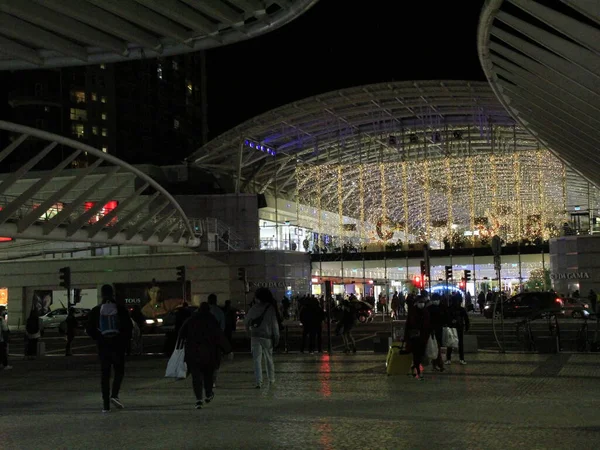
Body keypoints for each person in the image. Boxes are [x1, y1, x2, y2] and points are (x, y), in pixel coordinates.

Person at [86, 284, 133, 413]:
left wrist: (100, 337)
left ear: (101, 294)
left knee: (105, 375)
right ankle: (115, 394)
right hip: (118, 346)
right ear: (113, 294)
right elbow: (129, 328)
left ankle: (105, 405)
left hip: (103, 347)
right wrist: (123, 341)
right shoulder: (121, 309)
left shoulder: (96, 310)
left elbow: (89, 330)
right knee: (119, 371)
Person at [179, 302, 231, 409]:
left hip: (193, 353)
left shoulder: (191, 320)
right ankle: (208, 394)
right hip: (209, 354)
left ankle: (198, 399)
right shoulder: (212, 320)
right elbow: (219, 336)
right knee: (208, 375)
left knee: (196, 377)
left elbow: (181, 334)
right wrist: (228, 350)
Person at [244, 287, 280, 388]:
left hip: (255, 336)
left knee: (257, 360)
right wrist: (276, 337)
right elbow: (274, 324)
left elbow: (246, 321)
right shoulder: (271, 308)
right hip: (267, 337)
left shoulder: (254, 308)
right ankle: (271, 379)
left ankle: (258, 382)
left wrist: (247, 332)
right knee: (269, 359)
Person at [404, 296, 431, 380]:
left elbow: (428, 324)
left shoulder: (426, 312)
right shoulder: (412, 312)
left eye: (422, 302)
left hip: (423, 337)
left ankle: (415, 367)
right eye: (420, 302)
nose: (421, 304)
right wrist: (406, 337)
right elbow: (408, 325)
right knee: (416, 354)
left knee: (421, 354)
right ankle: (418, 371)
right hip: (414, 337)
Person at [446, 295, 470, 366]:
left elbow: (466, 318)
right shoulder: (459, 309)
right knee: (455, 343)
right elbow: (466, 319)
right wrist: (466, 326)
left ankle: (449, 359)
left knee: (451, 343)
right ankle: (460, 359)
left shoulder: (452, 308)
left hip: (456, 327)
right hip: (456, 327)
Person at [427, 293, 447, 372]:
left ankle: (435, 364)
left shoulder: (430, 308)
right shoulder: (439, 308)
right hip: (435, 330)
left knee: (435, 347)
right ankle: (439, 364)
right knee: (436, 347)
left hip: (434, 330)